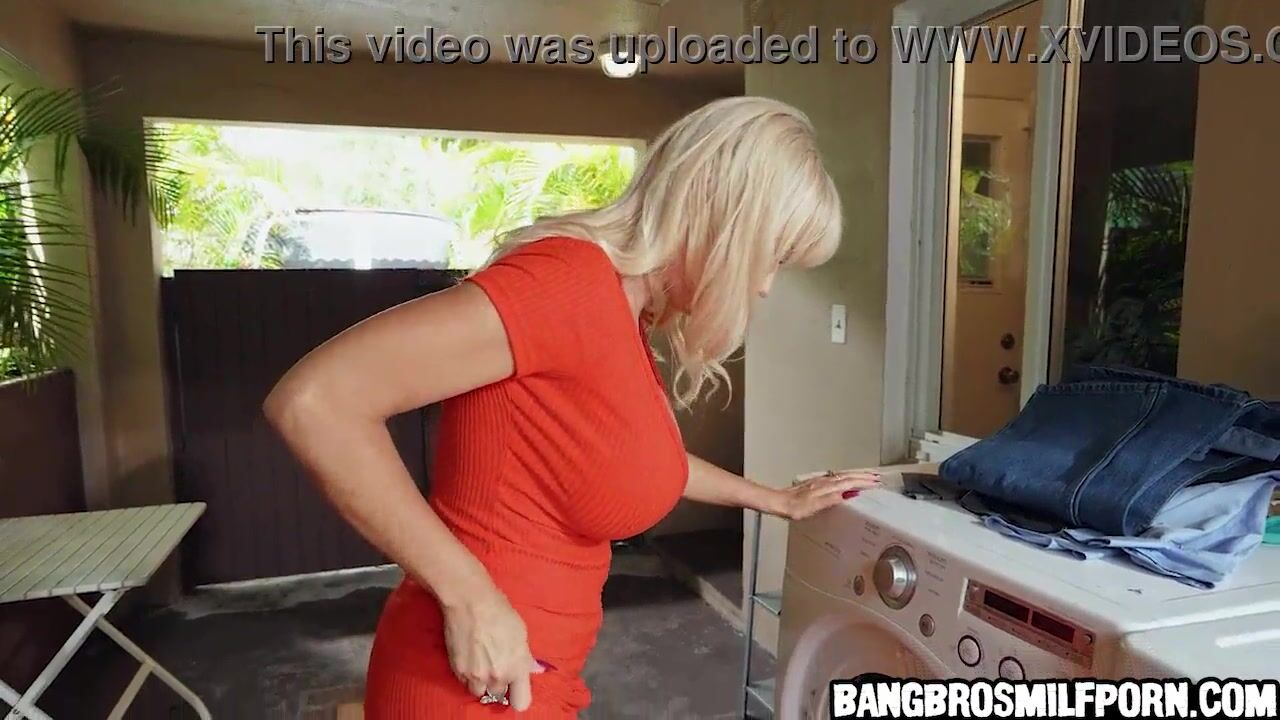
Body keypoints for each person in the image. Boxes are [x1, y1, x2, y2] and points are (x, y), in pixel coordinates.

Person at [263, 95, 876, 719]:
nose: (765, 285)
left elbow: (640, 461)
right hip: (472, 682)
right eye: (771, 255)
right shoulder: (565, 284)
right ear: (722, 214)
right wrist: (471, 598)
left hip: (533, 675)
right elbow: (316, 403)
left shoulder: (620, 308)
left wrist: (773, 500)